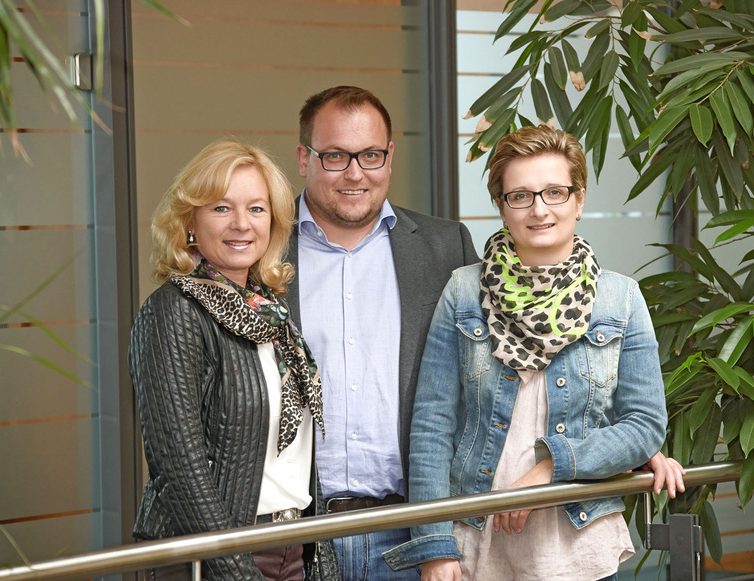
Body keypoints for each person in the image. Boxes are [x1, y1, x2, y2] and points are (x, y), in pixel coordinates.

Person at [383, 126, 683, 581]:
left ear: (578, 201)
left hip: (576, 538)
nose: (539, 209)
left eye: (555, 193)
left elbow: (644, 426)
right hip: (476, 534)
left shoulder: (620, 299)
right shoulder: (464, 291)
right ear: (502, 208)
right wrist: (434, 545)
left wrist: (550, 470)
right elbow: (432, 425)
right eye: (520, 196)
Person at [282, 85, 479, 580]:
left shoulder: (443, 248)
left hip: (414, 534)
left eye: (370, 154)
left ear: (389, 156)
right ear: (304, 157)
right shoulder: (259, 250)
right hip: (294, 540)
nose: (355, 173)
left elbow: (500, 368)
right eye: (335, 156)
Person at [129, 138, 339, 581]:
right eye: (221, 208)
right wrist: (236, 570)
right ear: (189, 222)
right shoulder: (174, 311)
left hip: (289, 548)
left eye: (257, 209)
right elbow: (178, 465)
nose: (242, 224)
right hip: (209, 560)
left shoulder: (271, 312)